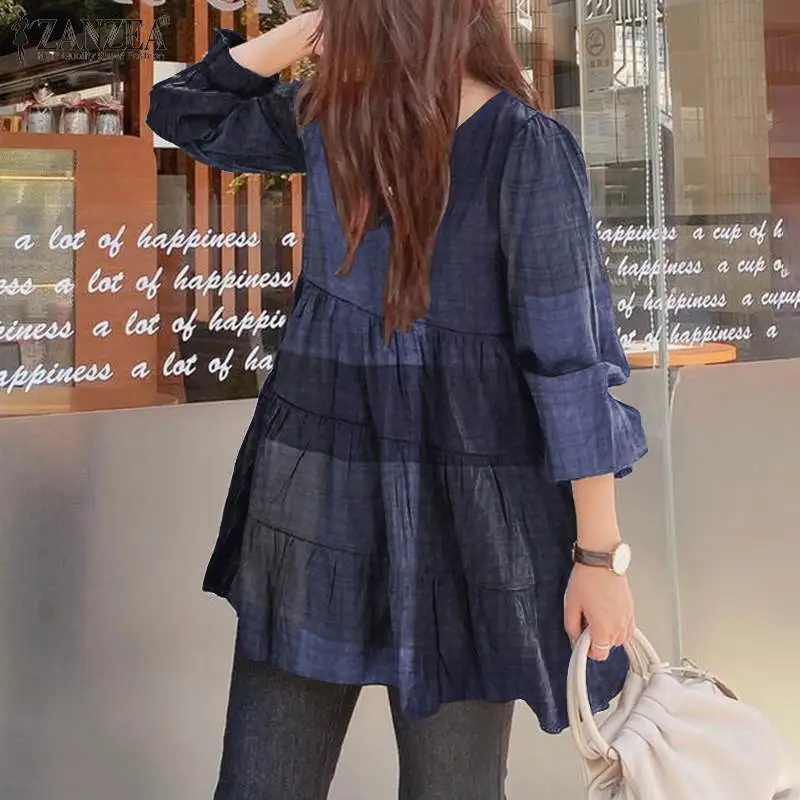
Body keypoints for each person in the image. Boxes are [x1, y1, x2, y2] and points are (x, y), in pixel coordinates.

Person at [147, 2, 647, 797]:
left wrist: (599, 556)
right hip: (331, 512)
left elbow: (570, 368)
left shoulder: (520, 146)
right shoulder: (332, 120)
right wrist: (312, 31)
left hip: (450, 524)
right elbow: (181, 110)